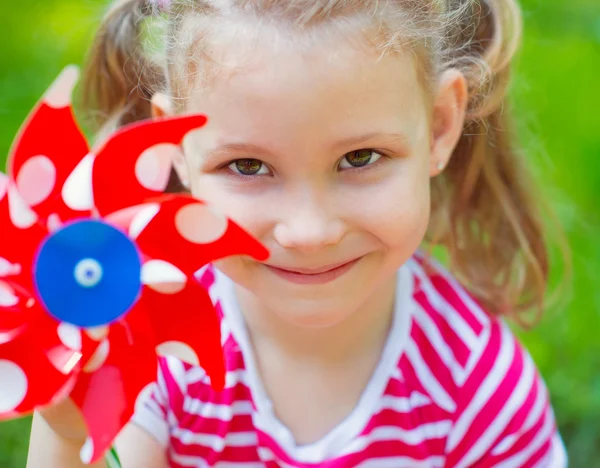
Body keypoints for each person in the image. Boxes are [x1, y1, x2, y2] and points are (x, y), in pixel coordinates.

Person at [26, 0, 570, 466]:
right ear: (172, 145)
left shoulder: (477, 387)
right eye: (247, 166)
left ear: (439, 125)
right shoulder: (155, 348)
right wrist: (65, 432)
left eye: (360, 158)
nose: (308, 232)